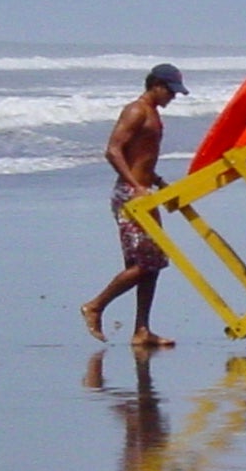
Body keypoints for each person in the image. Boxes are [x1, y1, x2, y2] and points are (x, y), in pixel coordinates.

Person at [81, 63, 188, 348]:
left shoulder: (153, 114)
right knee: (146, 262)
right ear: (156, 85)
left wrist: (160, 185)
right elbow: (113, 150)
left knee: (151, 265)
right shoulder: (136, 110)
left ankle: (142, 330)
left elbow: (142, 158)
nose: (173, 98)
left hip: (145, 193)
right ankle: (95, 306)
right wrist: (135, 186)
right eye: (170, 91)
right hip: (131, 197)